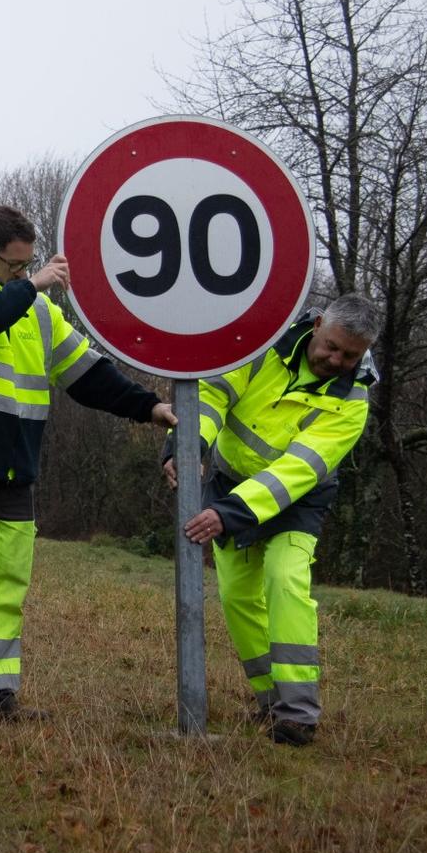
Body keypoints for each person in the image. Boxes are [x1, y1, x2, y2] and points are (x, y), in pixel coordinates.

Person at [0, 205, 176, 736]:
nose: (21, 273)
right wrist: (32, 285)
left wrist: (148, 408)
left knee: (5, 586)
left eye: (27, 265)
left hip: (15, 471)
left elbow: (88, 374)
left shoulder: (35, 311)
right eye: (14, 266)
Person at [162, 294, 380, 746]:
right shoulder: (260, 346)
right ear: (318, 325)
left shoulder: (353, 401)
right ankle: (268, 701)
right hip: (227, 482)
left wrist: (230, 513)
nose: (336, 360)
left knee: (284, 580)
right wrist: (187, 446)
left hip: (297, 501)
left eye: (349, 356)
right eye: (332, 347)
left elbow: (297, 471)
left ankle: (297, 712)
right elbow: (215, 391)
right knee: (239, 597)